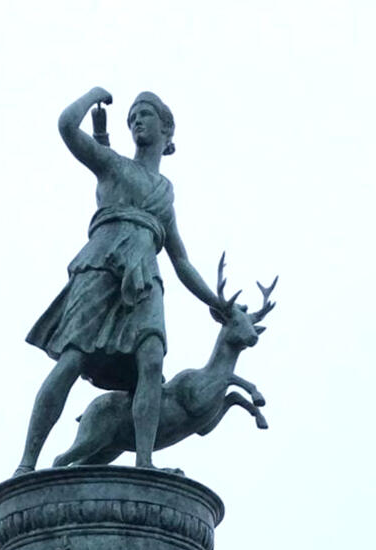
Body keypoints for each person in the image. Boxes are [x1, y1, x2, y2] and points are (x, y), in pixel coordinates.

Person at [15, 87, 222, 474]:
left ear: (167, 129)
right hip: (101, 264)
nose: (137, 122)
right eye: (132, 119)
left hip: (145, 277)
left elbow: (182, 261)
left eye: (145, 115)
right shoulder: (114, 166)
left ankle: (144, 461)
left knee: (151, 360)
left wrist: (217, 303)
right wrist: (92, 95)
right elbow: (64, 126)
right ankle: (26, 464)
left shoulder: (165, 194)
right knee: (73, 359)